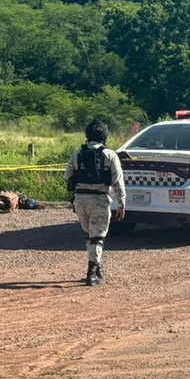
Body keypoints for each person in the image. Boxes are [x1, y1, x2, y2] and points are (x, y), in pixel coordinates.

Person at [64, 121, 125, 286]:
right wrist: (121, 203)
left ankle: (98, 268)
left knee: (90, 236)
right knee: (97, 238)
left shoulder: (77, 155)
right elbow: (118, 182)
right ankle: (92, 273)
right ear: (104, 136)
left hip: (80, 201)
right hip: (100, 200)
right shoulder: (111, 155)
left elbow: (67, 178)